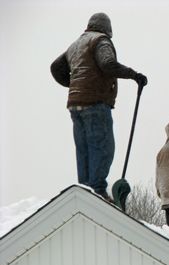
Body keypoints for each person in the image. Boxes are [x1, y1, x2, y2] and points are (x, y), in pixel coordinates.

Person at [50, 12, 147, 201]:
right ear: (107, 28)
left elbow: (55, 67)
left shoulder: (76, 44)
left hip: (75, 105)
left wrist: (75, 84)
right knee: (103, 147)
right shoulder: (100, 41)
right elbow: (108, 64)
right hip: (95, 104)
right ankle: (97, 190)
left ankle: (85, 189)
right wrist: (134, 75)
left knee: (84, 148)